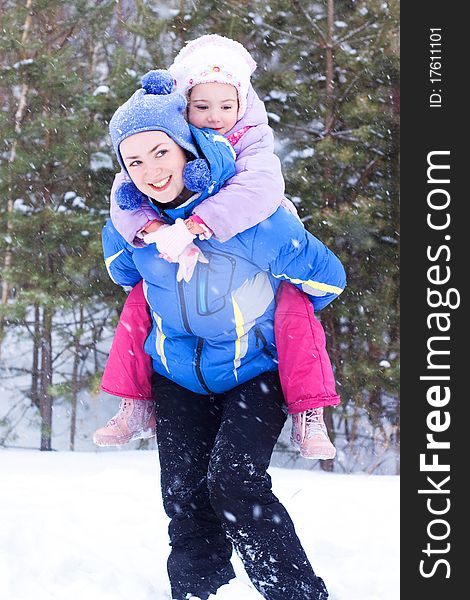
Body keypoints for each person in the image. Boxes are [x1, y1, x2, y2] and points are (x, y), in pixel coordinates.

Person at [101, 69, 344, 600]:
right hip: (176, 375)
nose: (150, 171)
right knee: (185, 497)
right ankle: (195, 592)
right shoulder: (131, 227)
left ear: (188, 146)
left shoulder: (255, 219)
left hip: (252, 373)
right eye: (134, 162)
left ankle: (297, 594)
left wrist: (278, 305)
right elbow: (125, 275)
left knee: (234, 484)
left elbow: (326, 279)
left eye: (160, 153)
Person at [94, 34, 342, 460]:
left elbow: (260, 189)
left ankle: (310, 408)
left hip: (248, 220)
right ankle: (132, 401)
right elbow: (127, 185)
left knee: (292, 307)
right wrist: (150, 229)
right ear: (184, 106)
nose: (214, 118)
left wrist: (196, 224)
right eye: (202, 107)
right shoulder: (167, 135)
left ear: (241, 103)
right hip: (178, 259)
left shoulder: (252, 135)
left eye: (226, 107)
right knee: (141, 301)